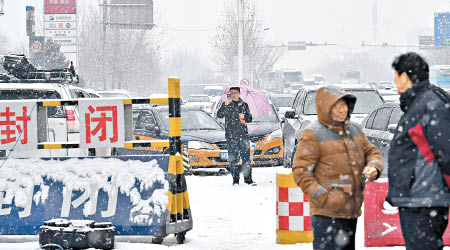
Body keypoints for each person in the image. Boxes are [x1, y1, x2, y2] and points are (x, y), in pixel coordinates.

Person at [292, 85, 383, 250]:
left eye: (344, 105)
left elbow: (371, 151)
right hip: (325, 214)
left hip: (351, 210)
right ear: (326, 108)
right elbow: (301, 172)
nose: (342, 110)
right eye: (336, 106)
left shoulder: (354, 129)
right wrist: (324, 197)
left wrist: (374, 166)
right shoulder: (313, 133)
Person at [386, 52, 450, 250]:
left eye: (396, 76)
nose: (395, 82)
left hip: (424, 200)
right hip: (420, 199)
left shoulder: (428, 105)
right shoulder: (420, 103)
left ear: (405, 76)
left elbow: (445, 152)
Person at [217, 86, 253, 185]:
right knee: (233, 159)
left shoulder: (244, 105)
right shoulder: (227, 105)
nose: (233, 95)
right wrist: (224, 105)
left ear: (239, 94)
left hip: (243, 135)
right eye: (231, 93)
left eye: (235, 93)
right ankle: (235, 179)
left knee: (246, 158)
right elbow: (219, 115)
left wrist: (244, 116)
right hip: (231, 136)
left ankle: (248, 179)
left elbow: (250, 118)